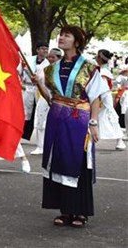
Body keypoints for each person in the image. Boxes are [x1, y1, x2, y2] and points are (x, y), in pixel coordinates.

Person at [33, 26, 108, 228]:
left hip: (79, 121)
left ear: (77, 41)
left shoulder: (89, 67)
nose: (61, 38)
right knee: (59, 160)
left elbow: (95, 97)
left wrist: (93, 123)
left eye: (67, 35)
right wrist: (40, 84)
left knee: (79, 161)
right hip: (57, 120)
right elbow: (52, 99)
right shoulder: (51, 69)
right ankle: (65, 210)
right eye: (61, 35)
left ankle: (80, 211)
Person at [30, 48, 63, 155]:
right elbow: (37, 82)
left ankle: (56, 145)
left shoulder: (63, 69)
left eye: (53, 57)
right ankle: (40, 146)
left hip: (58, 98)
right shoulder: (41, 68)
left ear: (59, 58)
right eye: (49, 56)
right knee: (40, 121)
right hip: (44, 97)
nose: (50, 59)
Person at [95, 49, 125, 150]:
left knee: (110, 116)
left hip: (102, 96)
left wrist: (99, 99)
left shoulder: (103, 71)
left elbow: (103, 87)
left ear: (99, 57)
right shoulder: (102, 69)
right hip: (101, 96)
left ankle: (120, 140)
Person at [19, 42, 49, 142]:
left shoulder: (48, 64)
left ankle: (38, 138)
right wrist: (20, 83)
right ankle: (23, 134)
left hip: (39, 88)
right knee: (25, 111)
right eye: (42, 49)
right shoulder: (27, 60)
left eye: (46, 49)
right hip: (27, 87)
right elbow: (17, 72)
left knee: (38, 111)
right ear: (37, 50)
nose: (45, 51)